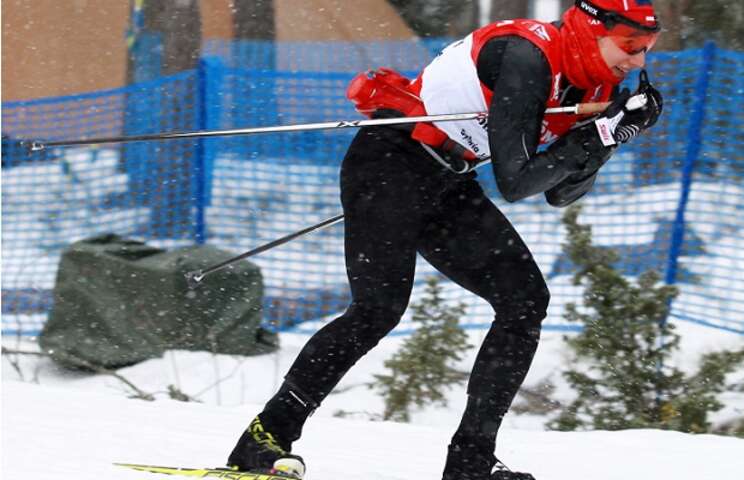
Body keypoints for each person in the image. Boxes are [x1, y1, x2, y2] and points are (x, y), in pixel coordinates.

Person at [226, 1, 663, 479]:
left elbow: (559, 191)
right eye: (630, 46)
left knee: (524, 301)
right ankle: (262, 440)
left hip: (448, 180)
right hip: (390, 161)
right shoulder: (526, 54)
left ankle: (470, 463)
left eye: (647, 49)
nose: (639, 60)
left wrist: (612, 137)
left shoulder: (596, 83)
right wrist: (596, 136)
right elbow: (516, 181)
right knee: (377, 309)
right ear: (590, 29)